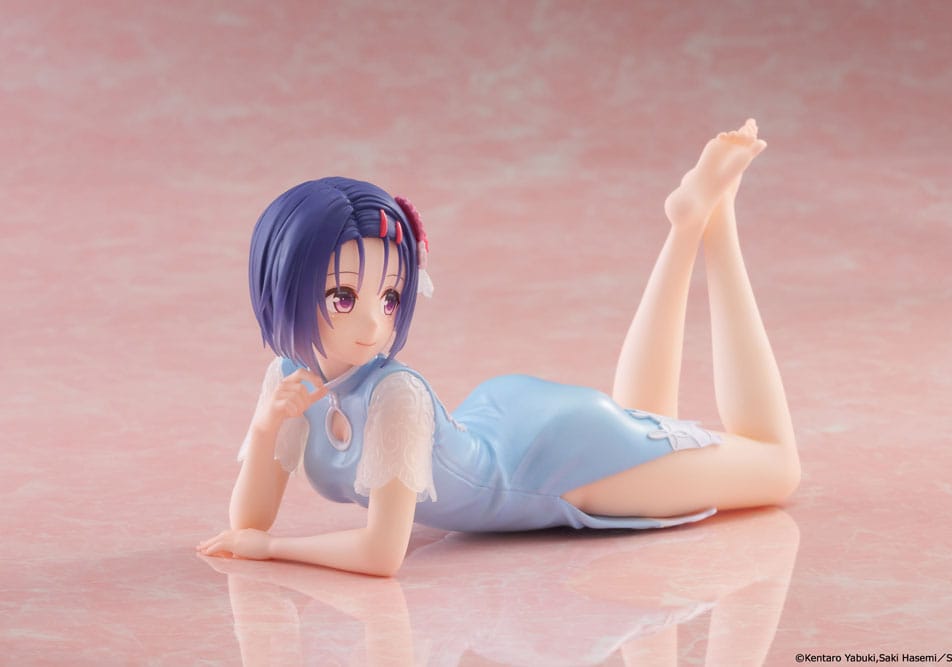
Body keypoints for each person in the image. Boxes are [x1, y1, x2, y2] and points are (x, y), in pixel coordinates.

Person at [197, 119, 801, 577]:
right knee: (647, 421)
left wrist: (273, 550)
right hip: (507, 424)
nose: (373, 323)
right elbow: (246, 522)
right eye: (342, 296)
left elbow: (381, 554)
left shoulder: (395, 397)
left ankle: (717, 224)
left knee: (776, 467)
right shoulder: (289, 377)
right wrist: (264, 428)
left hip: (556, 463)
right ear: (285, 286)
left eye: (390, 297)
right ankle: (689, 222)